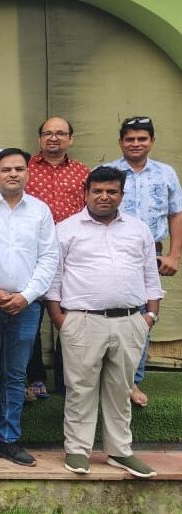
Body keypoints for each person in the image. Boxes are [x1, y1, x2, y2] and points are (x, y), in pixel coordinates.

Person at [46, 166, 161, 478]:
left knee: (120, 388)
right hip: (82, 322)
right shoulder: (67, 229)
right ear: (86, 193)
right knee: (80, 389)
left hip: (130, 321)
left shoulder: (138, 230)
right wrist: (59, 318)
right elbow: (54, 279)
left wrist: (150, 315)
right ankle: (78, 450)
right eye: (97, 191)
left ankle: (120, 451)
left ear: (122, 195)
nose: (104, 196)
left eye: (111, 191)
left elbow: (151, 275)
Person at [0, 148, 58, 468]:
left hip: (26, 305)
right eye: (6, 169)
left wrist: (28, 295)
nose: (12, 174)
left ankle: (8, 438)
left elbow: (49, 258)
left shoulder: (40, 211)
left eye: (19, 168)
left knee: (15, 374)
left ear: (28, 172)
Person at [106, 116, 182, 408]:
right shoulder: (109, 172)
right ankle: (111, 378)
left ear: (151, 141)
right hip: (115, 252)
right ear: (121, 142)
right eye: (130, 139)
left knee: (144, 317)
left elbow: (176, 214)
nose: (136, 144)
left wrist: (174, 254)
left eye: (142, 138)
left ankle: (132, 381)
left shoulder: (165, 174)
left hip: (153, 253)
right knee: (115, 314)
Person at [23, 116, 90, 401]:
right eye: (48, 133)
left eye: (60, 133)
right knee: (32, 319)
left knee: (72, 316)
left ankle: (67, 379)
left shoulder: (82, 172)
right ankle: (35, 377)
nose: (54, 138)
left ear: (70, 139)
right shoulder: (24, 169)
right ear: (39, 139)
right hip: (34, 255)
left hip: (74, 256)